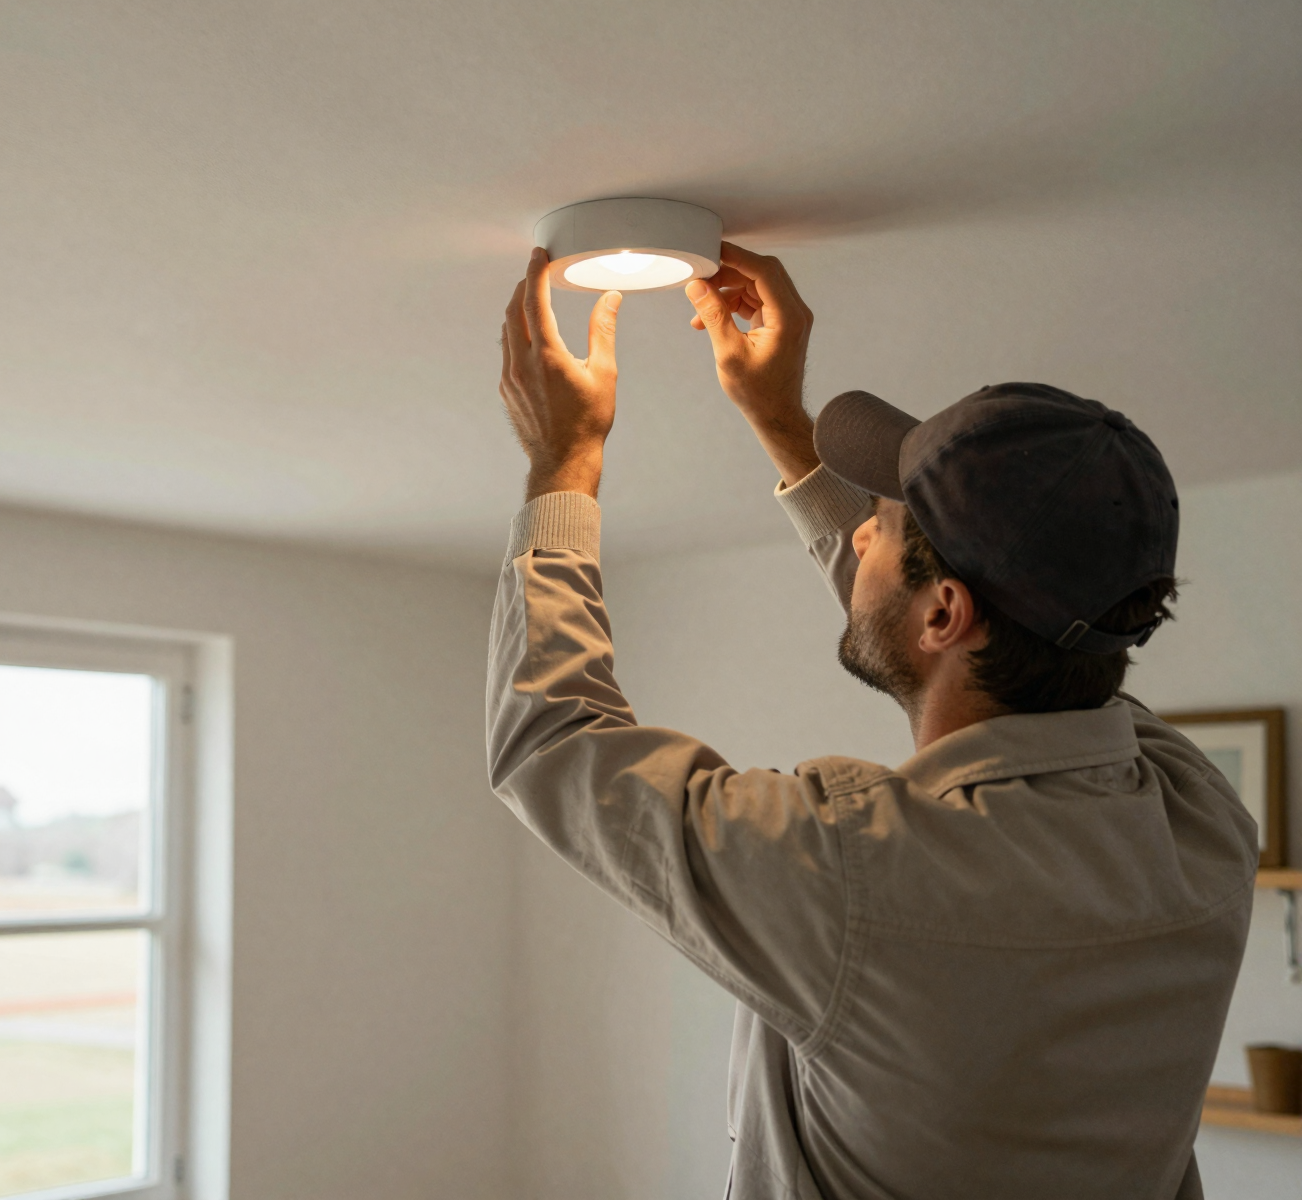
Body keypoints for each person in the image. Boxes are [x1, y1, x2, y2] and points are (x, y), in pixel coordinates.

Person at [487, 244, 1256, 1200]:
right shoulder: (1201, 823)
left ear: (945, 614)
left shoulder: (850, 872)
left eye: (881, 521)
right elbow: (957, 632)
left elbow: (552, 744)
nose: (858, 529)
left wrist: (562, 464)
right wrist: (781, 426)